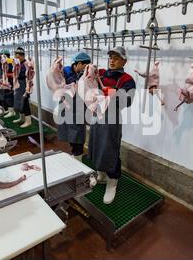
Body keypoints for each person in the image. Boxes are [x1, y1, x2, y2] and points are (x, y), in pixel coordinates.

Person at [88, 46, 136, 204]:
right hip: (96, 115)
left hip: (112, 118)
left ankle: (113, 181)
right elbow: (88, 84)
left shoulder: (127, 79)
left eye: (116, 58)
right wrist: (88, 71)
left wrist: (112, 93)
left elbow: (128, 101)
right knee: (95, 143)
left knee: (110, 147)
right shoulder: (101, 73)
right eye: (110, 57)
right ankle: (101, 174)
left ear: (124, 61)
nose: (112, 60)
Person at [58, 52, 91, 160]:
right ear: (79, 63)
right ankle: (74, 153)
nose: (86, 69)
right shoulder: (65, 71)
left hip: (79, 108)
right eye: (85, 66)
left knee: (78, 134)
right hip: (66, 106)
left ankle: (78, 156)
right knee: (70, 133)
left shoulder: (87, 74)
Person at [11, 47, 32, 128]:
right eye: (16, 57)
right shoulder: (18, 64)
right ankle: (21, 118)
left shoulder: (26, 64)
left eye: (18, 57)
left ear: (23, 56)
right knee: (19, 102)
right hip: (18, 84)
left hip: (25, 84)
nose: (17, 58)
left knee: (25, 102)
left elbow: (27, 76)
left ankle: (28, 121)